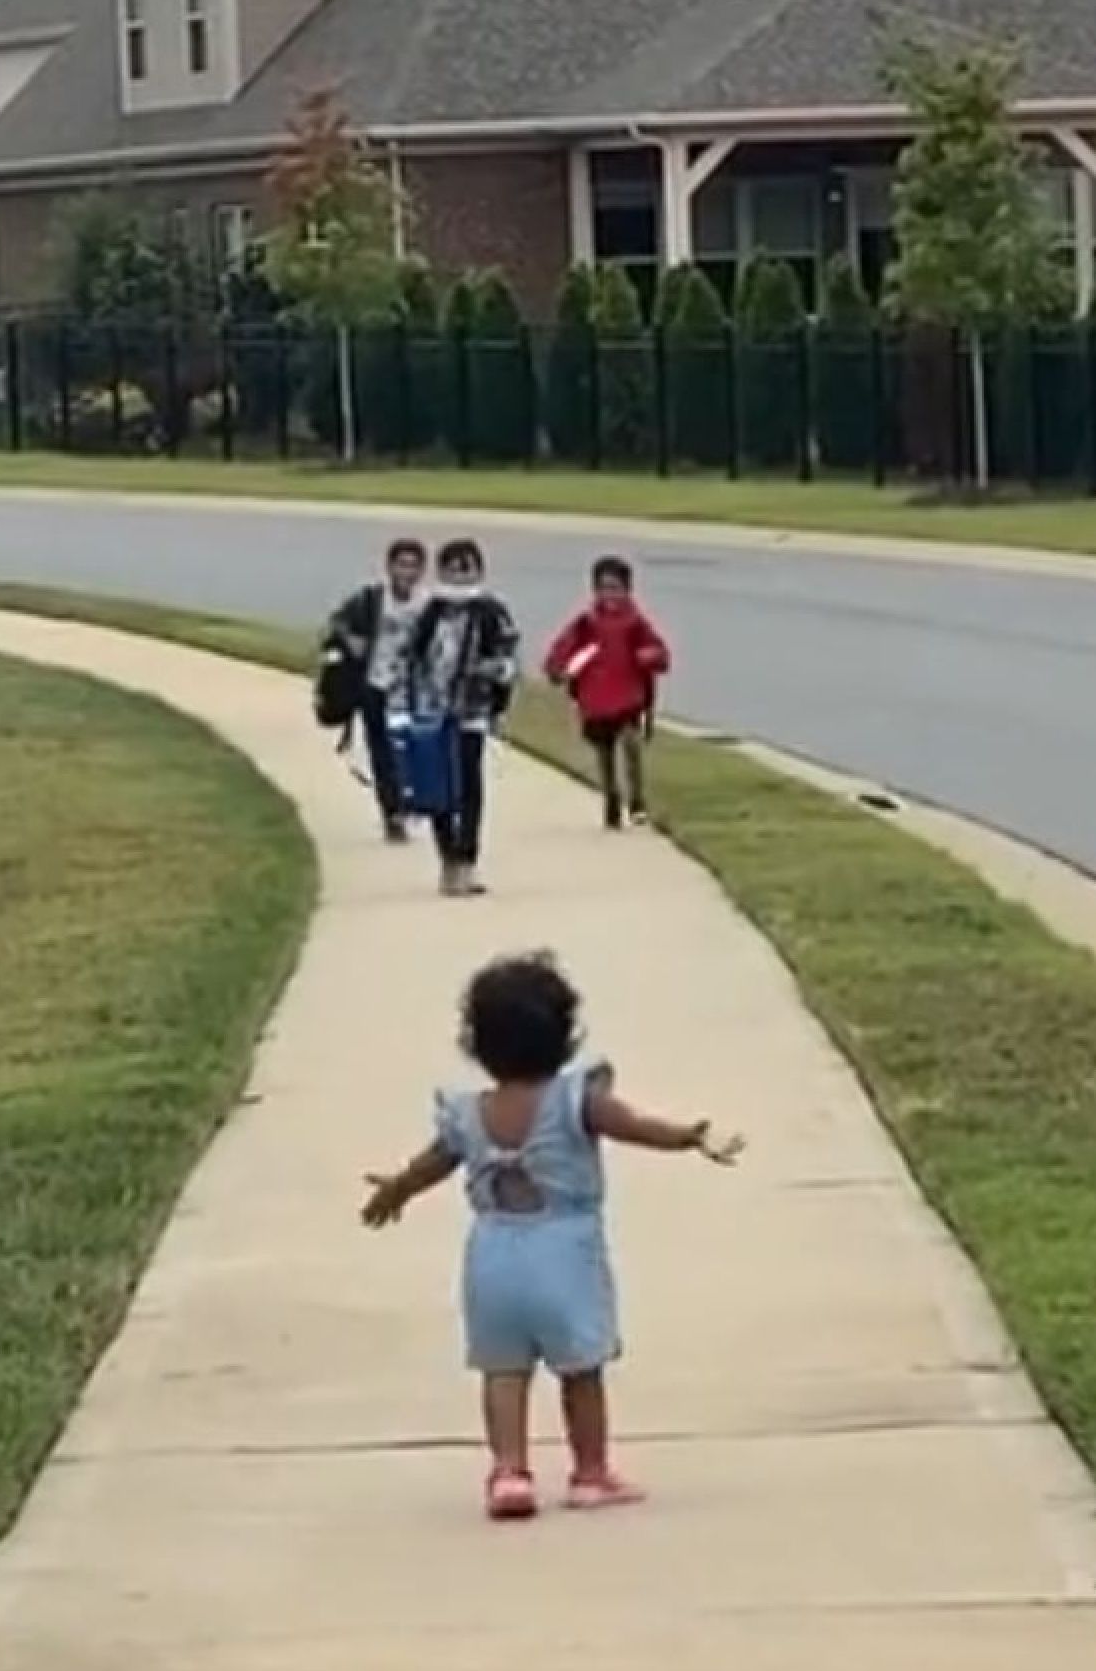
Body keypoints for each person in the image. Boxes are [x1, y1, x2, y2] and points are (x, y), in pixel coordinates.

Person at [360, 952, 742, 1521]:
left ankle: (509, 1473)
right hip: (564, 1252)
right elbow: (634, 1126)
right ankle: (590, 1473)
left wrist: (398, 1189)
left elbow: (432, 1163)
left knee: (503, 1371)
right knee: (580, 1369)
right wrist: (687, 1137)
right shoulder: (575, 1100)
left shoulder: (467, 1114)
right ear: (565, 1036)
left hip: (492, 1257)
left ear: (477, 1043)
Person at [394, 538, 518, 896]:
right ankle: (447, 858)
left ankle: (467, 860)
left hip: (471, 712)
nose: (460, 575)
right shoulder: (430, 611)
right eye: (452, 567)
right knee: (437, 789)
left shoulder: (491, 612)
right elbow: (411, 656)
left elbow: (508, 659)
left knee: (468, 787)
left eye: (467, 567)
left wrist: (487, 673)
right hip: (433, 713)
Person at [544, 556, 672, 831]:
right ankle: (611, 799)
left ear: (628, 591)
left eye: (616, 588)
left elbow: (659, 652)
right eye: (603, 588)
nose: (609, 595)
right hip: (596, 700)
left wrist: (649, 657)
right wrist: (556, 668)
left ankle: (636, 800)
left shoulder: (636, 624)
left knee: (631, 745)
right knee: (605, 755)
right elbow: (564, 647)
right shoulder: (586, 624)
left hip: (629, 697)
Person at [321, 538, 430, 842]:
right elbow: (337, 623)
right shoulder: (370, 599)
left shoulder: (428, 605)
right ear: (390, 567)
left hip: (413, 688)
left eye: (413, 565)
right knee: (383, 752)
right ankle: (393, 813)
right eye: (401, 564)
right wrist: (351, 640)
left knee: (416, 748)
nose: (407, 571)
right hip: (375, 685)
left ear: (422, 570)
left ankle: (416, 803)